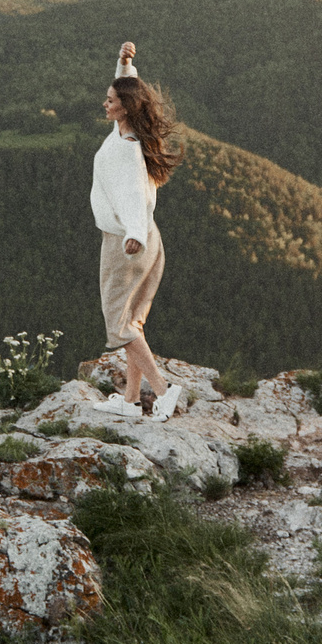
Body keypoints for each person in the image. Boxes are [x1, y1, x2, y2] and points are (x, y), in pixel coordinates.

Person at [92, 40, 184, 417]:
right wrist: (125, 65)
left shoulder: (127, 149)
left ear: (125, 108)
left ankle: (163, 392)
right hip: (150, 240)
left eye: (111, 99)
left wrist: (131, 233)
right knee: (133, 322)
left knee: (119, 325)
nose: (105, 102)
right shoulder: (128, 136)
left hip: (127, 243)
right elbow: (129, 92)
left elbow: (132, 195)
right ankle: (130, 402)